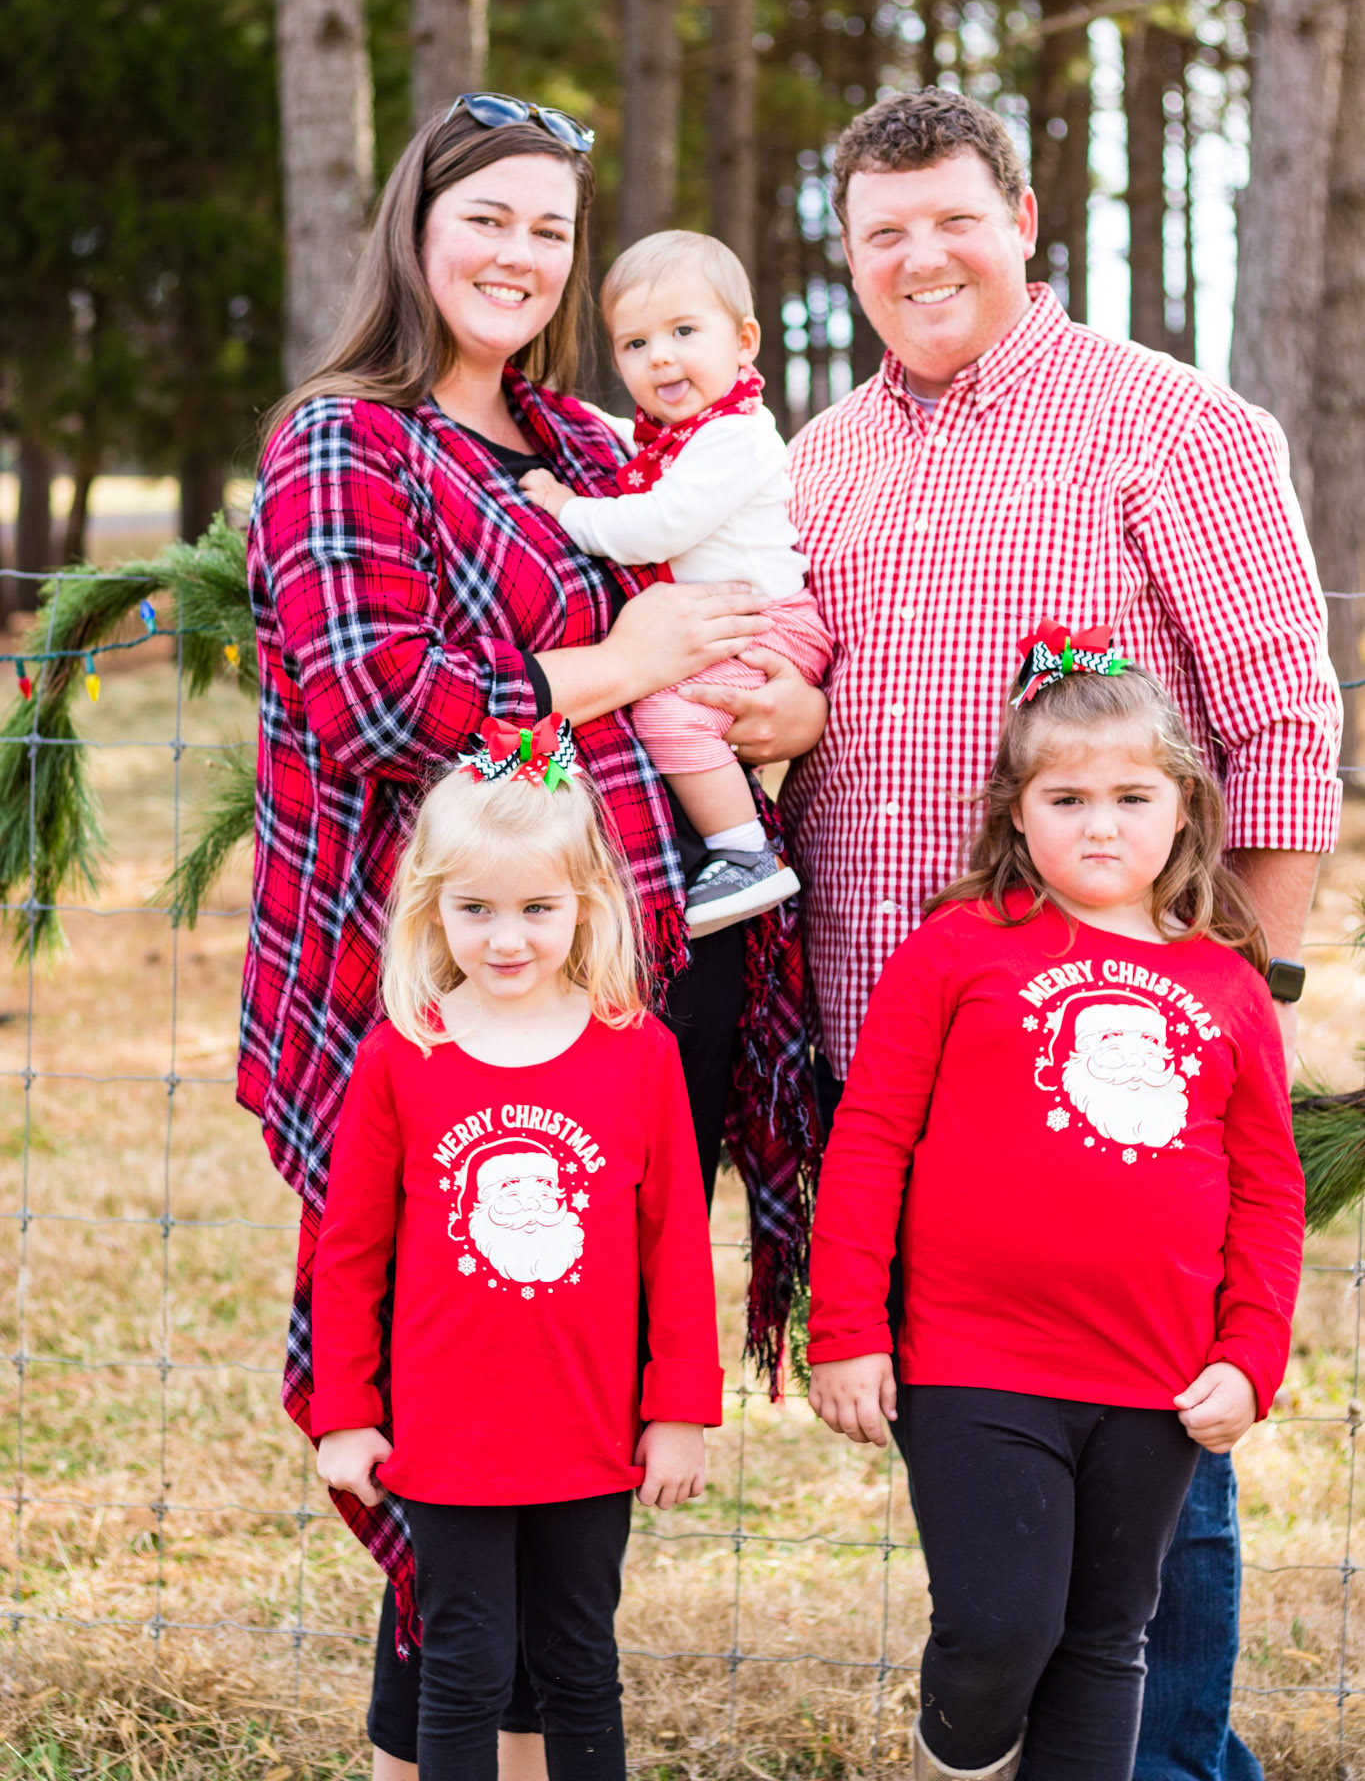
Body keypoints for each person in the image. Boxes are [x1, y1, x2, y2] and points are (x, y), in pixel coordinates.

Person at [695, 86, 1340, 1781]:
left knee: (1149, 1459)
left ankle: (1169, 1763)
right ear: (847, 255)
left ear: (1025, 221)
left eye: (953, 220)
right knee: (994, 1463)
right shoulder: (819, 462)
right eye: (882, 232)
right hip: (888, 1058)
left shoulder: (1170, 428)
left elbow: (1280, 722)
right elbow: (796, 698)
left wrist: (1247, 994)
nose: (920, 258)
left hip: (1125, 1056)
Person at [239, 93, 824, 1781]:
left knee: (571, 1391)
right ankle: (444, 1748)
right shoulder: (347, 440)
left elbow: (725, 606)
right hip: (457, 991)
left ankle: (516, 1735)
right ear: (416, 229)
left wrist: (781, 703)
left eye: (550, 228)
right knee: (450, 1399)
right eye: (486, 216)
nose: (519, 253)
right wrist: (618, 668)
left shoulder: (582, 436)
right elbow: (374, 702)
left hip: (639, 990)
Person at [806, 637, 1304, 1781]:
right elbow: (870, 1140)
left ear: (1184, 806)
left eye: (1132, 796)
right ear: (1015, 811)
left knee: (1104, 1639)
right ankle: (957, 1756)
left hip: (1155, 1373)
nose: (1100, 825)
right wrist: (847, 1327)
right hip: (975, 1358)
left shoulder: (1228, 982)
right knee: (999, 1630)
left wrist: (1251, 1353)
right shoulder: (956, 949)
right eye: (1066, 798)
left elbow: (1268, 1189)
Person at [312, 723, 722, 1781]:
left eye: (538, 908)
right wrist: (345, 1410)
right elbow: (350, 1253)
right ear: (431, 908)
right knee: (463, 1663)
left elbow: (676, 1245)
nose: (507, 939)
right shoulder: (403, 1055)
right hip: (447, 1432)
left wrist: (679, 1407)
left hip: (591, 1427)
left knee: (579, 1663)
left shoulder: (638, 1053)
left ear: (585, 902)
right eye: (476, 909)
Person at [519, 230, 831, 936]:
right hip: (742, 621)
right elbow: (638, 451)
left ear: (743, 341)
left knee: (669, 713)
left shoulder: (736, 437)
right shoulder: (688, 435)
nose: (659, 355)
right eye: (635, 343)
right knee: (670, 709)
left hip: (767, 624)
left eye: (684, 331)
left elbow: (657, 525)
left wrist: (568, 508)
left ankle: (744, 853)